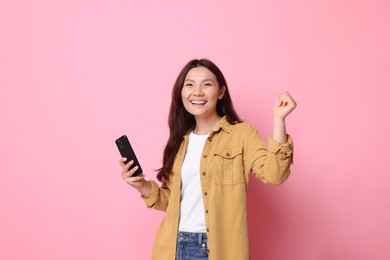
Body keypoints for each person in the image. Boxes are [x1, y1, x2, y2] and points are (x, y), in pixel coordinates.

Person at [119, 59, 296, 260]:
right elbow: (171, 202)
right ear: (181, 93)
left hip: (215, 249)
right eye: (189, 85)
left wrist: (279, 120)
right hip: (171, 248)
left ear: (221, 92)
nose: (197, 92)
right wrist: (141, 185)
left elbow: (275, 174)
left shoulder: (242, 134)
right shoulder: (177, 143)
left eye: (207, 84)